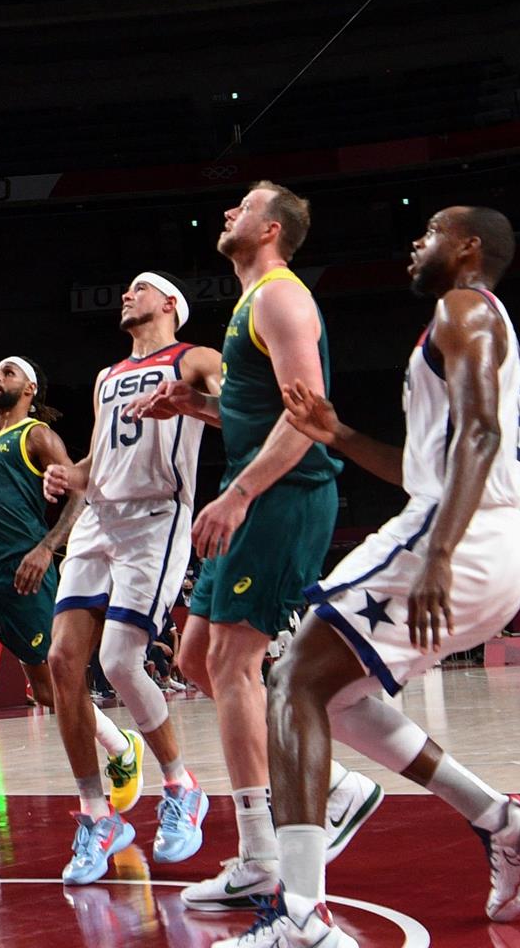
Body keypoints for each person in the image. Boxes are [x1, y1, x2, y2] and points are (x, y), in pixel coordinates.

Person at [244, 205, 520, 946]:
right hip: (489, 537)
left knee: (292, 678)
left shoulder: (464, 308)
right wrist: (341, 435)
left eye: (429, 234)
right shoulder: (466, 323)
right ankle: (506, 821)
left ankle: (301, 921)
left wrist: (442, 553)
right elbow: (427, 470)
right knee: (340, 694)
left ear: (468, 247)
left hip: (465, 533)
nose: (415, 245)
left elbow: (479, 435)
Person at [128, 183, 383, 915]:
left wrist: (238, 496)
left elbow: (308, 417)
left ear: (271, 227)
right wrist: (198, 408)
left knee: (234, 662)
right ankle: (336, 789)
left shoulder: (280, 297)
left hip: (282, 497)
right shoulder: (248, 304)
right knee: (194, 658)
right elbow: (261, 414)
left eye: (241, 206)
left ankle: (261, 856)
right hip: (256, 492)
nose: (225, 213)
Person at [39, 271, 217, 883]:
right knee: (62, 660)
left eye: (139, 288)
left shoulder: (194, 358)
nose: (125, 294)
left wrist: (189, 403)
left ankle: (181, 785)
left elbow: (246, 410)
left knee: (118, 661)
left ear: (170, 302)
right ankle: (97, 813)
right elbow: (101, 459)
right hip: (98, 519)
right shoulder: (106, 376)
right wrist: (69, 476)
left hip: (156, 519)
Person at [0, 356, 135, 847]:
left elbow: (81, 492)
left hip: (22, 573)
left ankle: (121, 749)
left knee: (49, 691)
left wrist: (46, 547)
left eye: (7, 373)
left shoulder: (36, 436)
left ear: (30, 388)